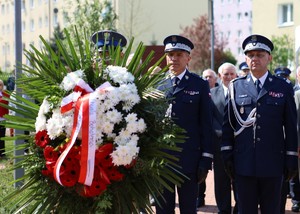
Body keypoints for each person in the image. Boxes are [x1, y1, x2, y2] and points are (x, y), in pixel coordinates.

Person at [221, 34, 298, 214]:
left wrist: (292, 158)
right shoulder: (235, 87)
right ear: (246, 58)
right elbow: (228, 126)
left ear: (269, 58)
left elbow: (291, 126)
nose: (255, 58)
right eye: (251, 54)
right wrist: (227, 154)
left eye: (260, 54)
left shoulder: (283, 87)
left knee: (271, 210)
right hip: (243, 163)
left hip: (273, 163)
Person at [156, 35, 213, 214]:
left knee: (189, 209)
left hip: (189, 160)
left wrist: (206, 159)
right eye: (170, 54)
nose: (174, 59)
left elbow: (206, 124)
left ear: (188, 58)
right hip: (162, 160)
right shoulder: (157, 84)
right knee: (163, 210)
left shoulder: (200, 85)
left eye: (179, 54)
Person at [211, 62, 238, 214]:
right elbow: (210, 118)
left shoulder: (242, 91)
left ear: (236, 75)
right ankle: (224, 210)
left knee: (240, 179)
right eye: (225, 74)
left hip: (239, 145)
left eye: (231, 74)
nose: (228, 77)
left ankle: (239, 208)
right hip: (219, 145)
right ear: (220, 76)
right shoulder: (211, 93)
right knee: (221, 180)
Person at [0, 80, 9, 158]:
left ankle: (2, 152)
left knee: (2, 136)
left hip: (2, 118)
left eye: (0, 85)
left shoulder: (5, 94)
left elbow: (7, 103)